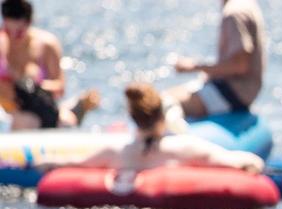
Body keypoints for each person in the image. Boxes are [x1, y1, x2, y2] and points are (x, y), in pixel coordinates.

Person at [72, 82, 263, 173]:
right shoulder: (186, 147)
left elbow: (69, 164)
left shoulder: (115, 152)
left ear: (132, 117)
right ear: (162, 116)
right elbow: (249, 162)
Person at [0, 0, 98, 129]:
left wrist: (32, 87)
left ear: (29, 23)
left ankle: (79, 107)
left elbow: (60, 87)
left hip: (37, 109)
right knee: (23, 121)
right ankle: (77, 106)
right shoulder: (2, 42)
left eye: (19, 32)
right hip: (7, 114)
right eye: (8, 30)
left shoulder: (46, 45)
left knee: (66, 123)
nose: (13, 36)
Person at [167, 0, 266, 118]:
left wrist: (194, 67)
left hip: (234, 93)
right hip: (240, 90)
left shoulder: (234, 13)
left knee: (165, 103)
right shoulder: (246, 4)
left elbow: (240, 65)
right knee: (171, 95)